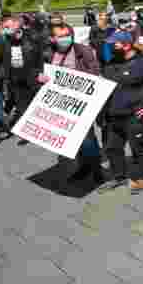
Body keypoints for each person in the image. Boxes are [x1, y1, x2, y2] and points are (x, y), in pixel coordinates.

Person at [98, 32, 143, 194]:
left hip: (134, 115)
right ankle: (119, 176)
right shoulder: (111, 63)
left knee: (138, 147)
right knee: (112, 148)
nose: (111, 46)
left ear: (126, 45)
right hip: (113, 114)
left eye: (114, 43)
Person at [46, 24, 104, 183]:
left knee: (87, 138)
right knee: (73, 137)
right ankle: (83, 167)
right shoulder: (48, 53)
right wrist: (41, 78)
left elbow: (94, 71)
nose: (65, 38)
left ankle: (96, 170)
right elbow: (40, 72)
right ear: (52, 39)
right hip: (60, 102)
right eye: (61, 36)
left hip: (81, 101)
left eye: (67, 35)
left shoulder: (83, 51)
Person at [3, 16, 44, 128]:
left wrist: (40, 72)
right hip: (14, 78)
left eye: (8, 27)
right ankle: (23, 127)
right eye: (5, 27)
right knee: (21, 105)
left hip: (31, 77)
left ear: (17, 26)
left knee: (31, 103)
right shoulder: (4, 40)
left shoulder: (32, 37)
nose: (6, 29)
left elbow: (40, 57)